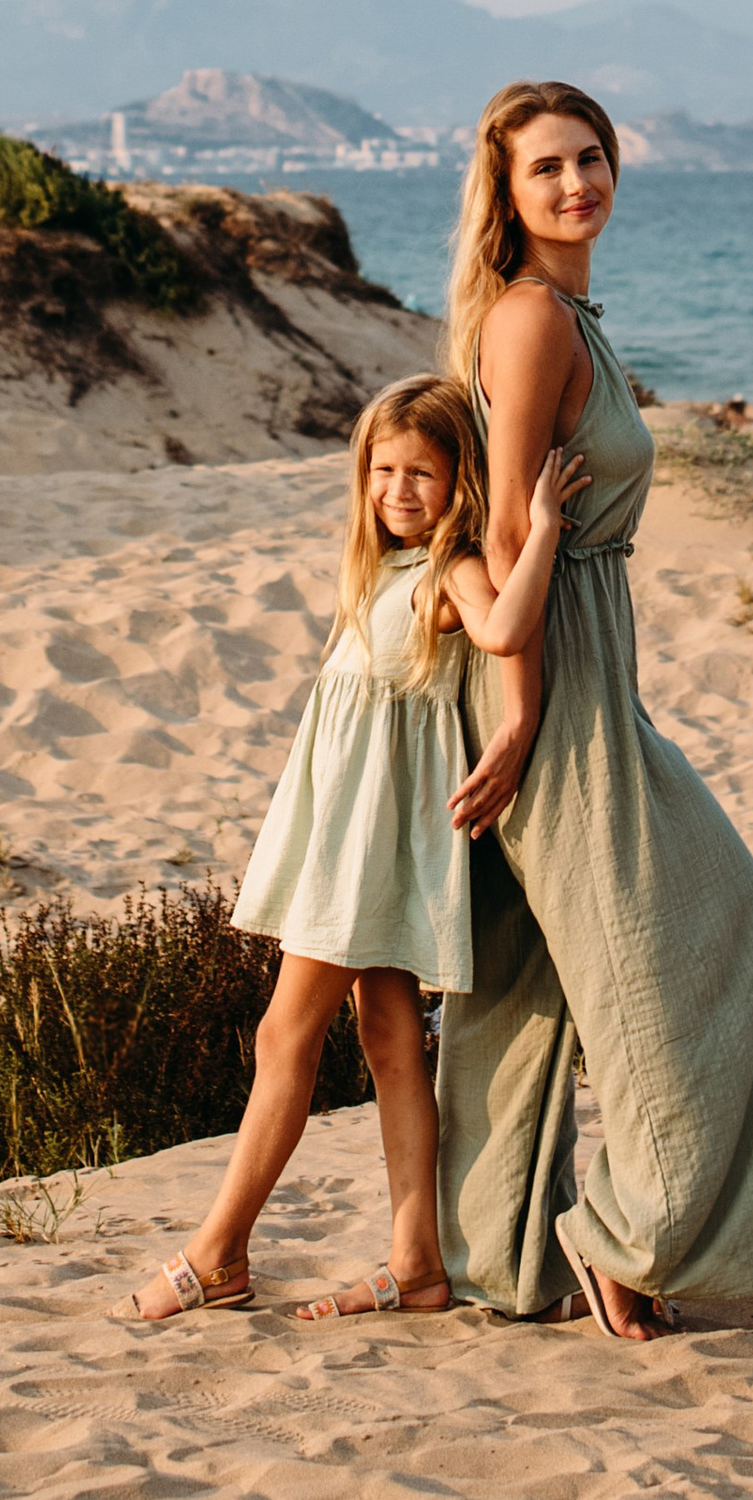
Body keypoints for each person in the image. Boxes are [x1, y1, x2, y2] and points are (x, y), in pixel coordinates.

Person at [435, 79, 753, 1342]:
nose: (577, 182)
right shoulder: (532, 318)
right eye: (546, 167)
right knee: (704, 943)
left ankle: (504, 1254)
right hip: (553, 679)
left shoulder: (566, 310)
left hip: (589, 663)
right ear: (507, 191)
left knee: (535, 982)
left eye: (590, 157)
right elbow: (503, 527)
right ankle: (621, 1238)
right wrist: (522, 715)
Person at [124, 372, 583, 1324]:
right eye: (383, 470)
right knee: (388, 1038)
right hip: (350, 834)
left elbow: (507, 627)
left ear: (459, 481)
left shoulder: (450, 571)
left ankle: (219, 1250)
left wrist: (539, 527)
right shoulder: (377, 570)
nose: (400, 490)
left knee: (282, 1037)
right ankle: (417, 1262)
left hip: (369, 850)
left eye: (422, 472)